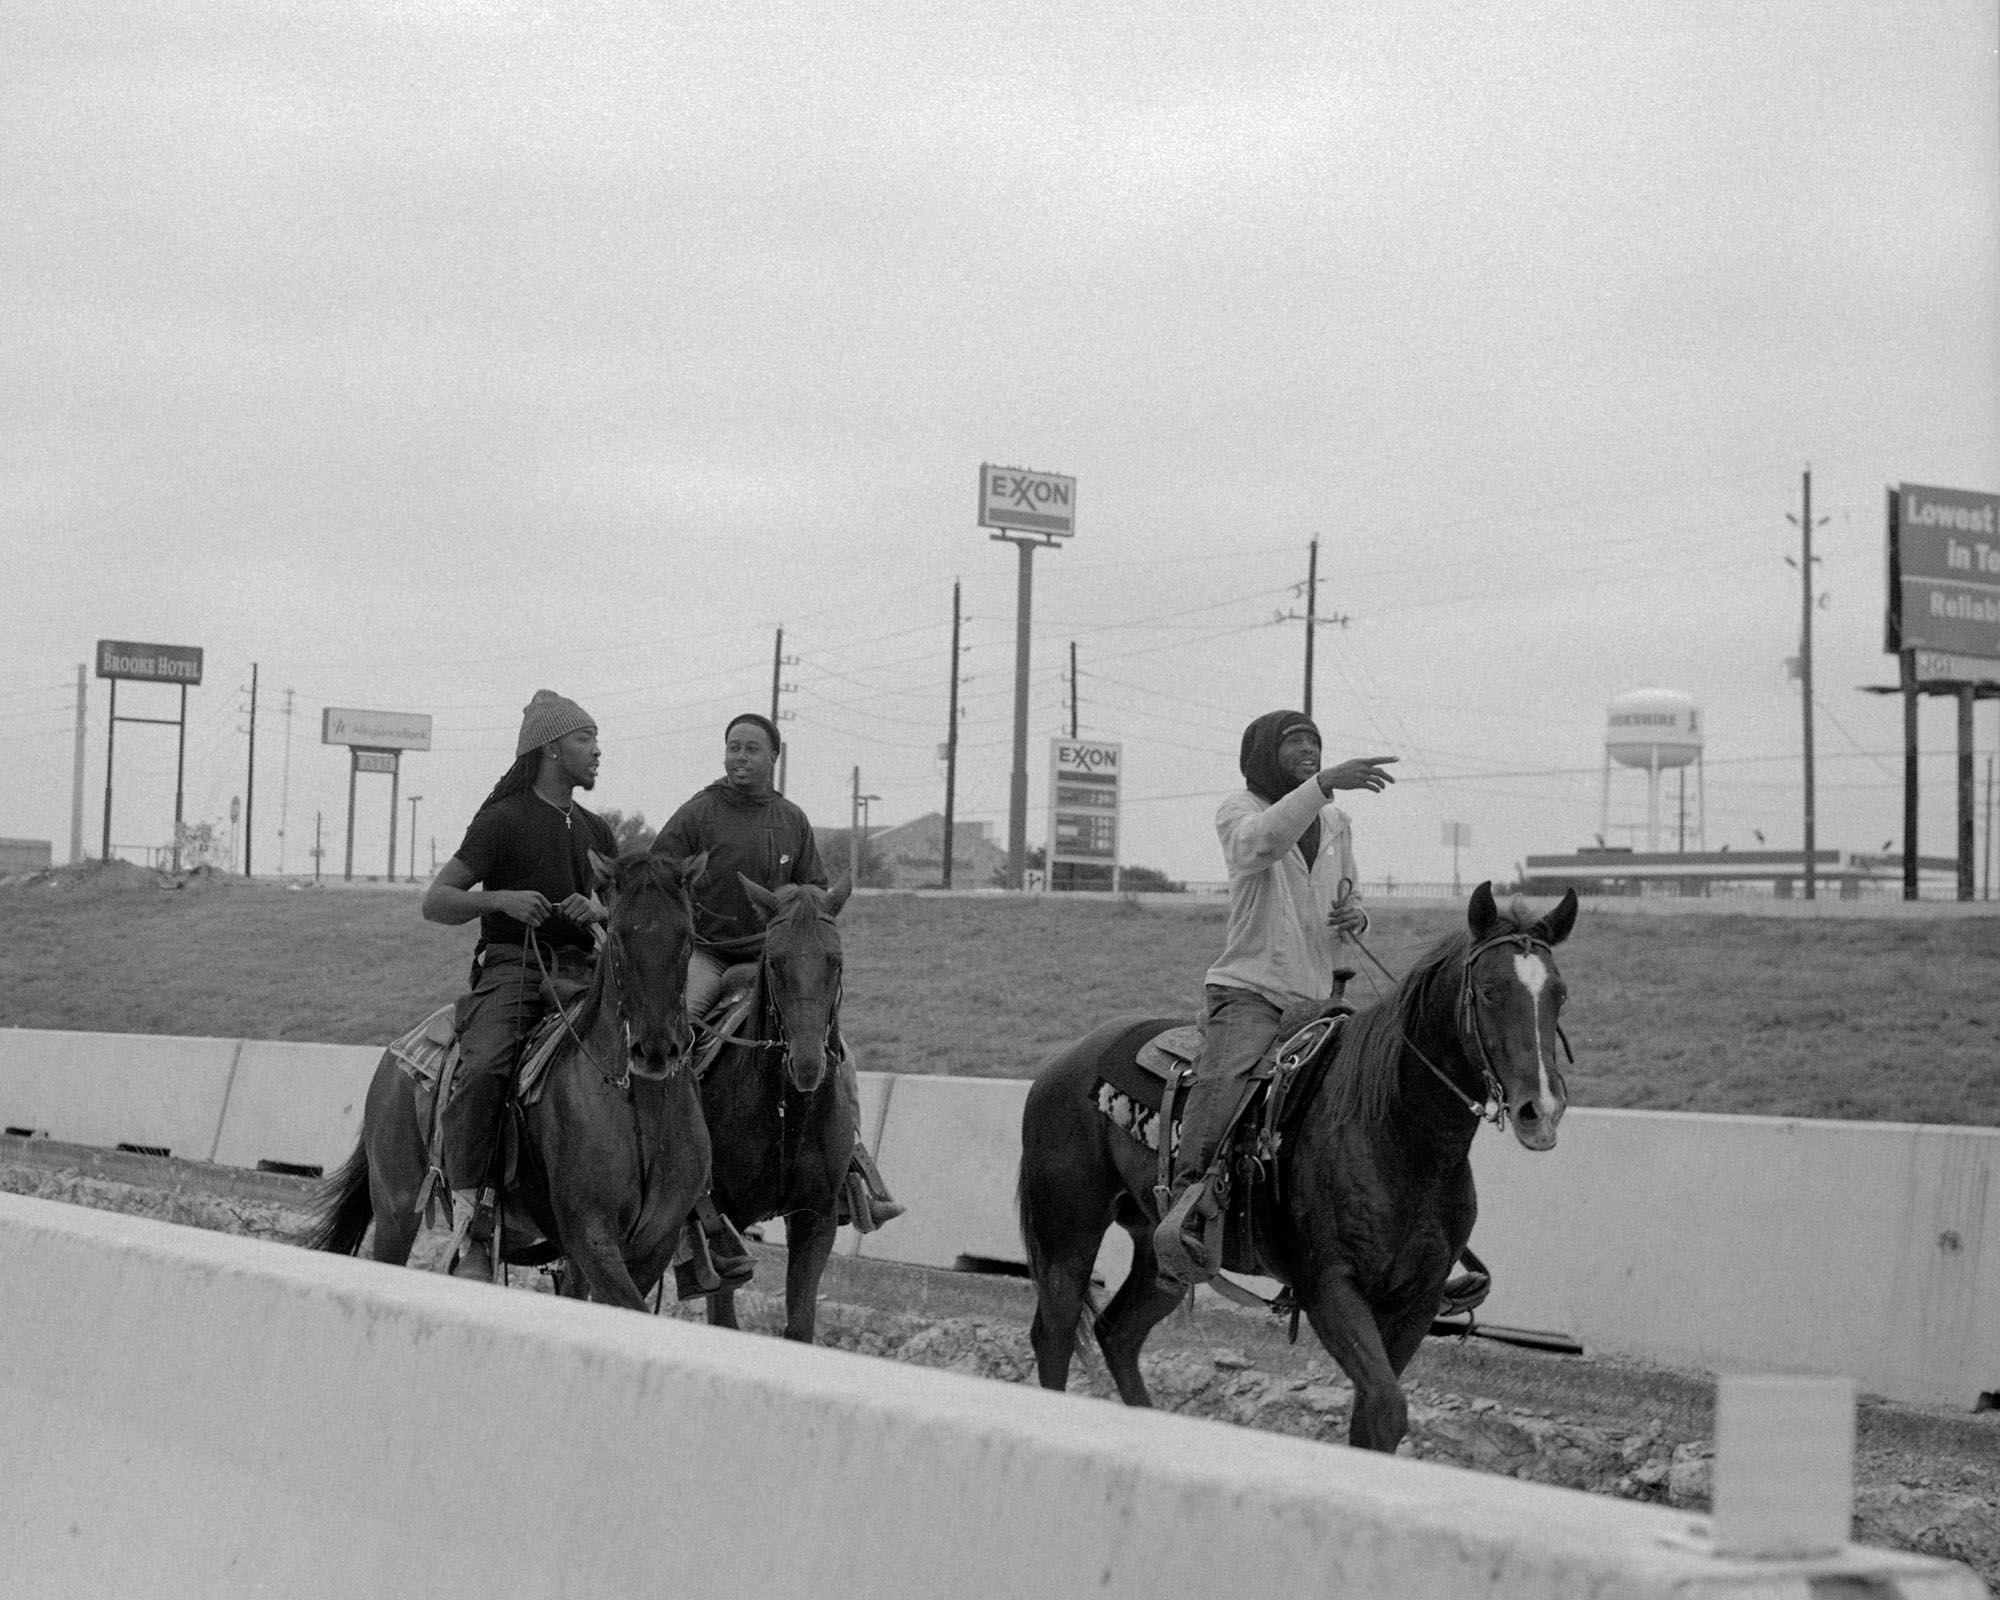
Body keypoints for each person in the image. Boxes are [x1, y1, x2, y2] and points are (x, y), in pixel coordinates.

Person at [651, 712, 903, 1295]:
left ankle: (852, 1171)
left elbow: (814, 895)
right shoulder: (697, 813)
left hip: (773, 957)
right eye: (731, 749)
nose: (739, 758)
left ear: (773, 758)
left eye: (750, 750)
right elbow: (660, 874)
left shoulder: (793, 820)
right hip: (709, 957)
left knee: (837, 1050)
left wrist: (800, 910)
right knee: (680, 1035)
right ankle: (670, 1174)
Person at [1152, 710, 1396, 1287]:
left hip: (1320, 998)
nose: (1309, 748)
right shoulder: (1241, 812)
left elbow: (1350, 894)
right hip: (1251, 989)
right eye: (1295, 743)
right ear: (1264, 753)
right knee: (1225, 1078)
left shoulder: (1335, 822)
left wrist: (1355, 915)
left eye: (1314, 740)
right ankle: (1185, 1210)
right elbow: (1259, 846)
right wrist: (1323, 784)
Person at [422, 690, 615, 1281]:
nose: (597, 752)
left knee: (663, 1053)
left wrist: (599, 911)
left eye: (596, 740)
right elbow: (436, 901)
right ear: (553, 748)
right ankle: (472, 1219)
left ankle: (685, 1217)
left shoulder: (597, 830)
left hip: (585, 975)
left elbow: (618, 907)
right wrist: (500, 899)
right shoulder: (502, 821)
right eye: (585, 739)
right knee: (484, 1070)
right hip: (517, 968)